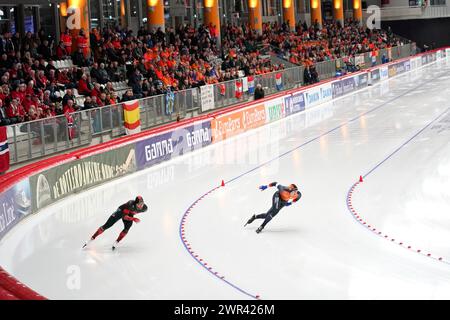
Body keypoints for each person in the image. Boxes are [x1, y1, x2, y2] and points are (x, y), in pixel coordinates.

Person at [83, 196, 148, 250]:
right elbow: (125, 217)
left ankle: (117, 241)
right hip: (120, 212)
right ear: (135, 203)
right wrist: (133, 219)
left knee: (127, 228)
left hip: (129, 214)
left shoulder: (144, 208)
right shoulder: (130, 204)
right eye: (139, 204)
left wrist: (132, 218)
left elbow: (130, 215)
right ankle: (92, 238)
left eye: (142, 203)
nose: (141, 206)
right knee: (107, 225)